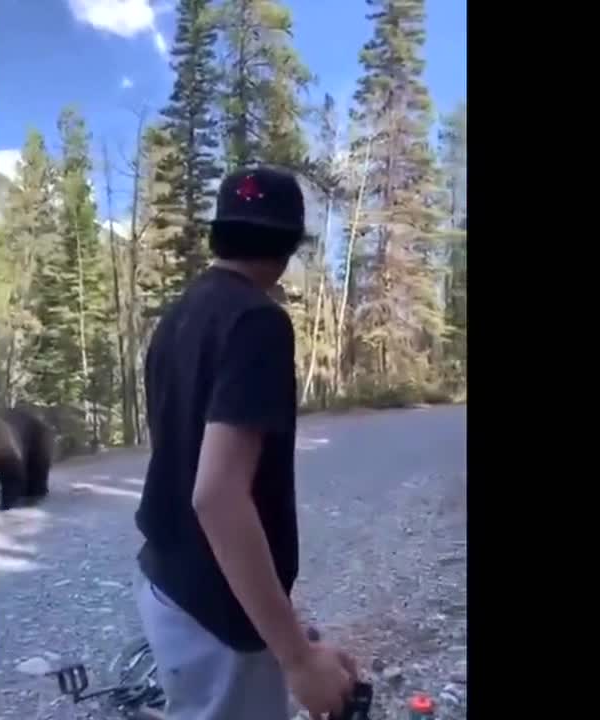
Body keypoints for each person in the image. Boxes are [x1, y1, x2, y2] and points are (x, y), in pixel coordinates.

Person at [134, 166, 358, 719]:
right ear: (288, 247)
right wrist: (297, 660)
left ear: (219, 235)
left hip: (170, 588)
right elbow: (217, 496)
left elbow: (184, 462)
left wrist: (285, 628)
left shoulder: (178, 318)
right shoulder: (258, 322)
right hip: (218, 619)